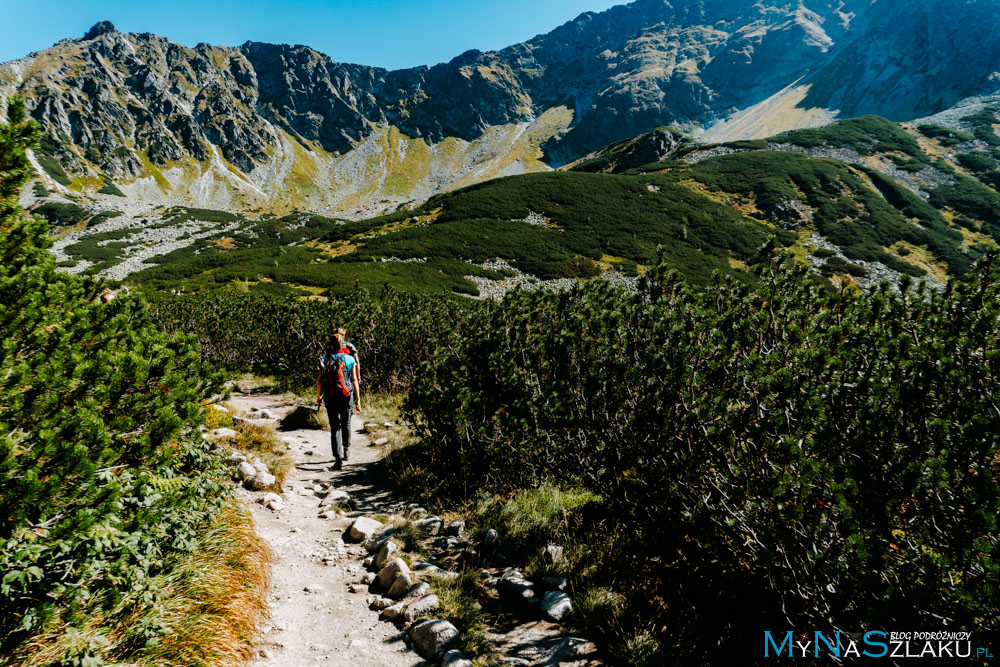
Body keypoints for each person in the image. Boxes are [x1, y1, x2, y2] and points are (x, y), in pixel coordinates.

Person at [317, 330, 362, 469]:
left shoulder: (324, 359)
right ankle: (346, 449)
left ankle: (337, 459)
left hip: (330, 395)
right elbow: (354, 380)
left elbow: (319, 380)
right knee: (346, 422)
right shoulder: (349, 359)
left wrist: (319, 396)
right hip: (346, 394)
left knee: (335, 427)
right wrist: (358, 400)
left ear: (330, 345)